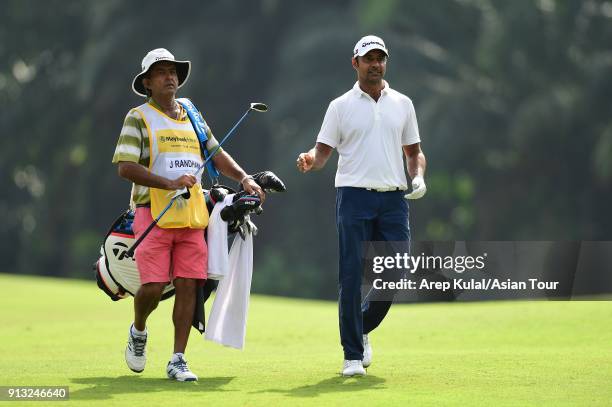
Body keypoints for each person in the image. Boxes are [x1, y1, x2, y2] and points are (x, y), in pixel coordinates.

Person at [112, 48, 264, 382]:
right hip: (152, 213)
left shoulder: (192, 113)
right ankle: (139, 331)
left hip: (192, 215)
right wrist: (168, 183)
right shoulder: (137, 117)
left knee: (189, 285)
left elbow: (216, 152)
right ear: (148, 83)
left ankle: (178, 359)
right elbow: (125, 167)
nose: (170, 77)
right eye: (161, 72)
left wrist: (245, 178)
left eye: (173, 71)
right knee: (152, 287)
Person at [296, 35, 427, 376]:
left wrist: (418, 178)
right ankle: (352, 355)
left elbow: (413, 152)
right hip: (354, 196)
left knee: (395, 272)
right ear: (355, 63)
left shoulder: (402, 103)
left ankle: (362, 326)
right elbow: (322, 152)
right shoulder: (340, 106)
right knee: (352, 275)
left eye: (380, 58)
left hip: (394, 198)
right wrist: (311, 159)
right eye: (369, 58)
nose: (376, 64)